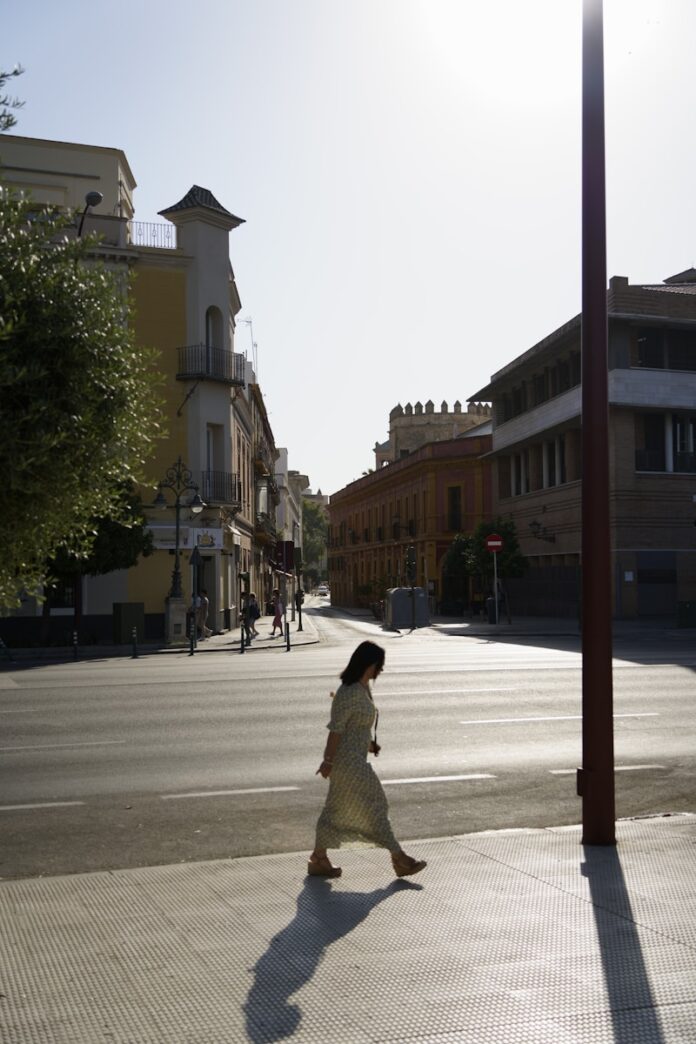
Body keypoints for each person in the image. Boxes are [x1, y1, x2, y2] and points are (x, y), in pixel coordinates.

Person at [308, 640, 427, 880]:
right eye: (379, 665)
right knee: (376, 805)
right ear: (369, 664)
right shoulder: (348, 691)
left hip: (355, 757)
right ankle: (399, 858)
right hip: (348, 762)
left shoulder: (363, 689)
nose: (381, 670)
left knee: (334, 809)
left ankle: (318, 858)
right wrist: (328, 761)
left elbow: (356, 725)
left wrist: (369, 743)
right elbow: (336, 730)